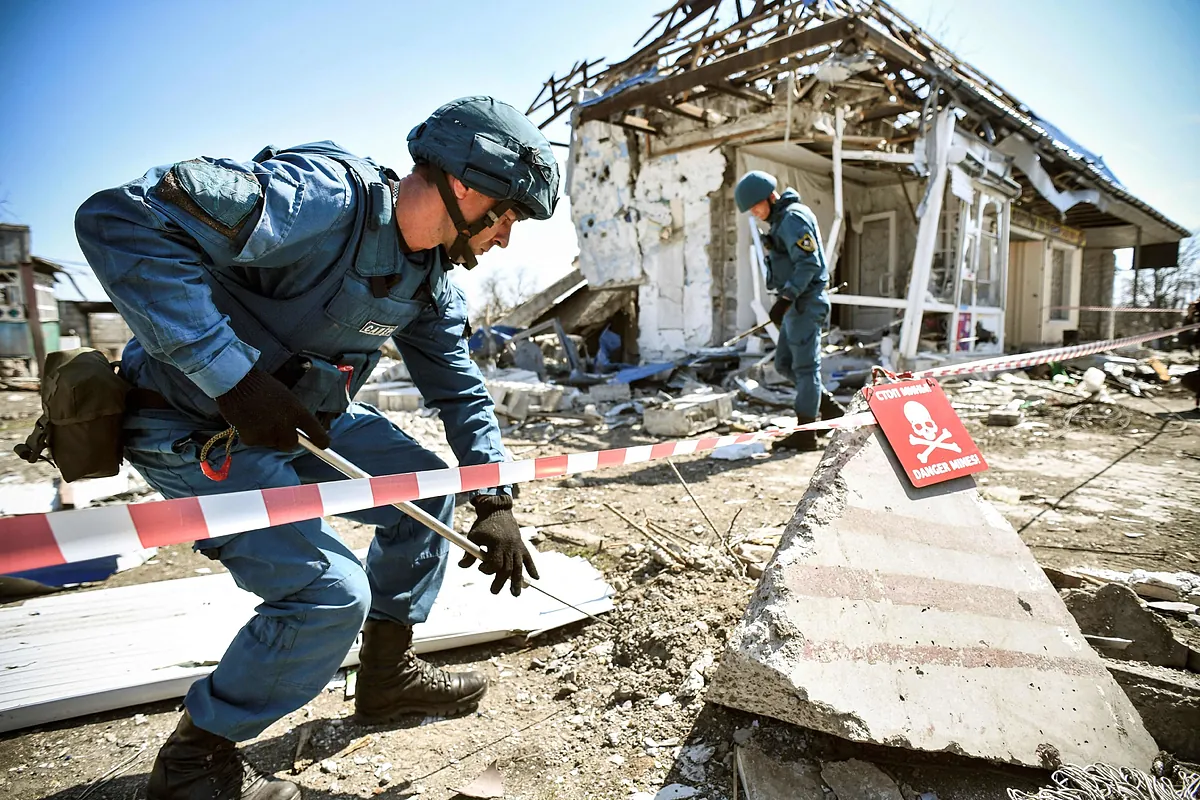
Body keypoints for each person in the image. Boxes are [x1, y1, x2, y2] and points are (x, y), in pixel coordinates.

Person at [75, 96, 559, 800]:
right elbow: (117, 220)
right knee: (327, 595)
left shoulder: (428, 282)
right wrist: (232, 377)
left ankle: (386, 678)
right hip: (195, 428)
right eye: (507, 214)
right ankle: (194, 763)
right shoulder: (323, 200)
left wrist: (494, 494)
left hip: (301, 423)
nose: (506, 239)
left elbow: (459, 389)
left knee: (425, 486)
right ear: (465, 184)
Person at [734, 170, 840, 451]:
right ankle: (829, 410)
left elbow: (810, 263)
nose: (755, 213)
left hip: (804, 303)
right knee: (785, 364)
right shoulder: (780, 222)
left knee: (805, 369)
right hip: (794, 305)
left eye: (757, 206)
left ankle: (806, 433)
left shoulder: (793, 217)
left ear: (771, 197)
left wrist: (786, 298)